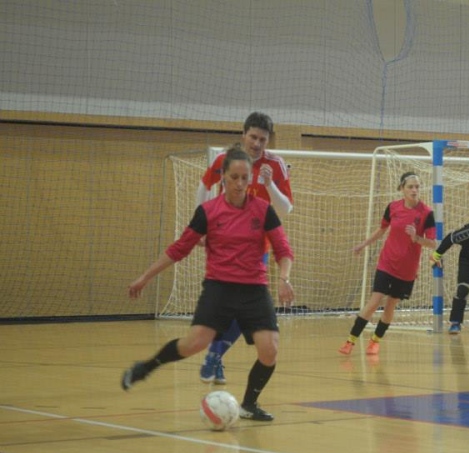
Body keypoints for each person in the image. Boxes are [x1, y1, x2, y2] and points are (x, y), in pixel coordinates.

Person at [122, 146, 295, 422]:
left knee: (270, 348)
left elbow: (283, 250)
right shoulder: (208, 211)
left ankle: (249, 403)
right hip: (219, 287)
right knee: (193, 344)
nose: (239, 184)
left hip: (253, 288)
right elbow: (179, 248)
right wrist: (145, 277)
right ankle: (146, 367)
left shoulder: (263, 211)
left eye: (244, 178)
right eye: (233, 177)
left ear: (250, 178)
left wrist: (284, 278)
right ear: (223, 178)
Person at [196, 112, 293, 385]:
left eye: (262, 139)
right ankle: (215, 355)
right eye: (253, 137)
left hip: (255, 247)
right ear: (243, 135)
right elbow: (204, 186)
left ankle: (215, 354)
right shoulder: (225, 160)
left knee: (244, 310)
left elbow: (286, 209)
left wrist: (269, 184)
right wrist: (201, 225)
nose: (257, 143)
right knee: (225, 306)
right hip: (223, 242)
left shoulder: (275, 165)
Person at [338, 171, 436, 357]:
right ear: (401, 188)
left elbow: (432, 243)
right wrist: (363, 244)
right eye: (410, 187)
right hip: (387, 263)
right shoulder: (392, 207)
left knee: (390, 305)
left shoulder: (427, 213)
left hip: (407, 269)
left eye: (417, 186)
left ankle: (375, 342)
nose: (414, 190)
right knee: (374, 301)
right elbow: (381, 230)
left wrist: (416, 238)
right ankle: (350, 341)